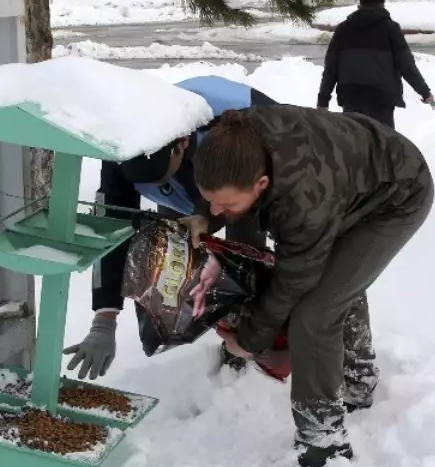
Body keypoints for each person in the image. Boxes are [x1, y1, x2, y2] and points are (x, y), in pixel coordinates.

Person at [190, 105, 434, 467]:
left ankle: (323, 443)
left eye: (226, 205)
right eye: (211, 199)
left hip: (397, 195)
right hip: (352, 179)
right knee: (336, 285)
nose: (217, 210)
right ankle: (357, 379)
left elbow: (294, 279)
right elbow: (221, 185)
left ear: (262, 185)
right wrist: (202, 214)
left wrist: (251, 339)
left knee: (317, 311)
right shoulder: (234, 140)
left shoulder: (302, 201)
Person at [63, 75, 276, 381]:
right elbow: (111, 230)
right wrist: (104, 318)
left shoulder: (229, 125)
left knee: (246, 260)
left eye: (161, 179)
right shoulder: (118, 147)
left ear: (181, 146)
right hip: (185, 174)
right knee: (178, 254)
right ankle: (226, 330)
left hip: (241, 172)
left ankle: (255, 347)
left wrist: (208, 215)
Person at [317, 0, 435, 128]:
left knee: (356, 143)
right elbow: (406, 64)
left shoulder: (343, 29)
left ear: (360, 4)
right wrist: (424, 91)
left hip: (351, 97)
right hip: (382, 97)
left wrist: (323, 100)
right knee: (383, 144)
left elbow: (331, 67)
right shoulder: (390, 29)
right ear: (382, 4)